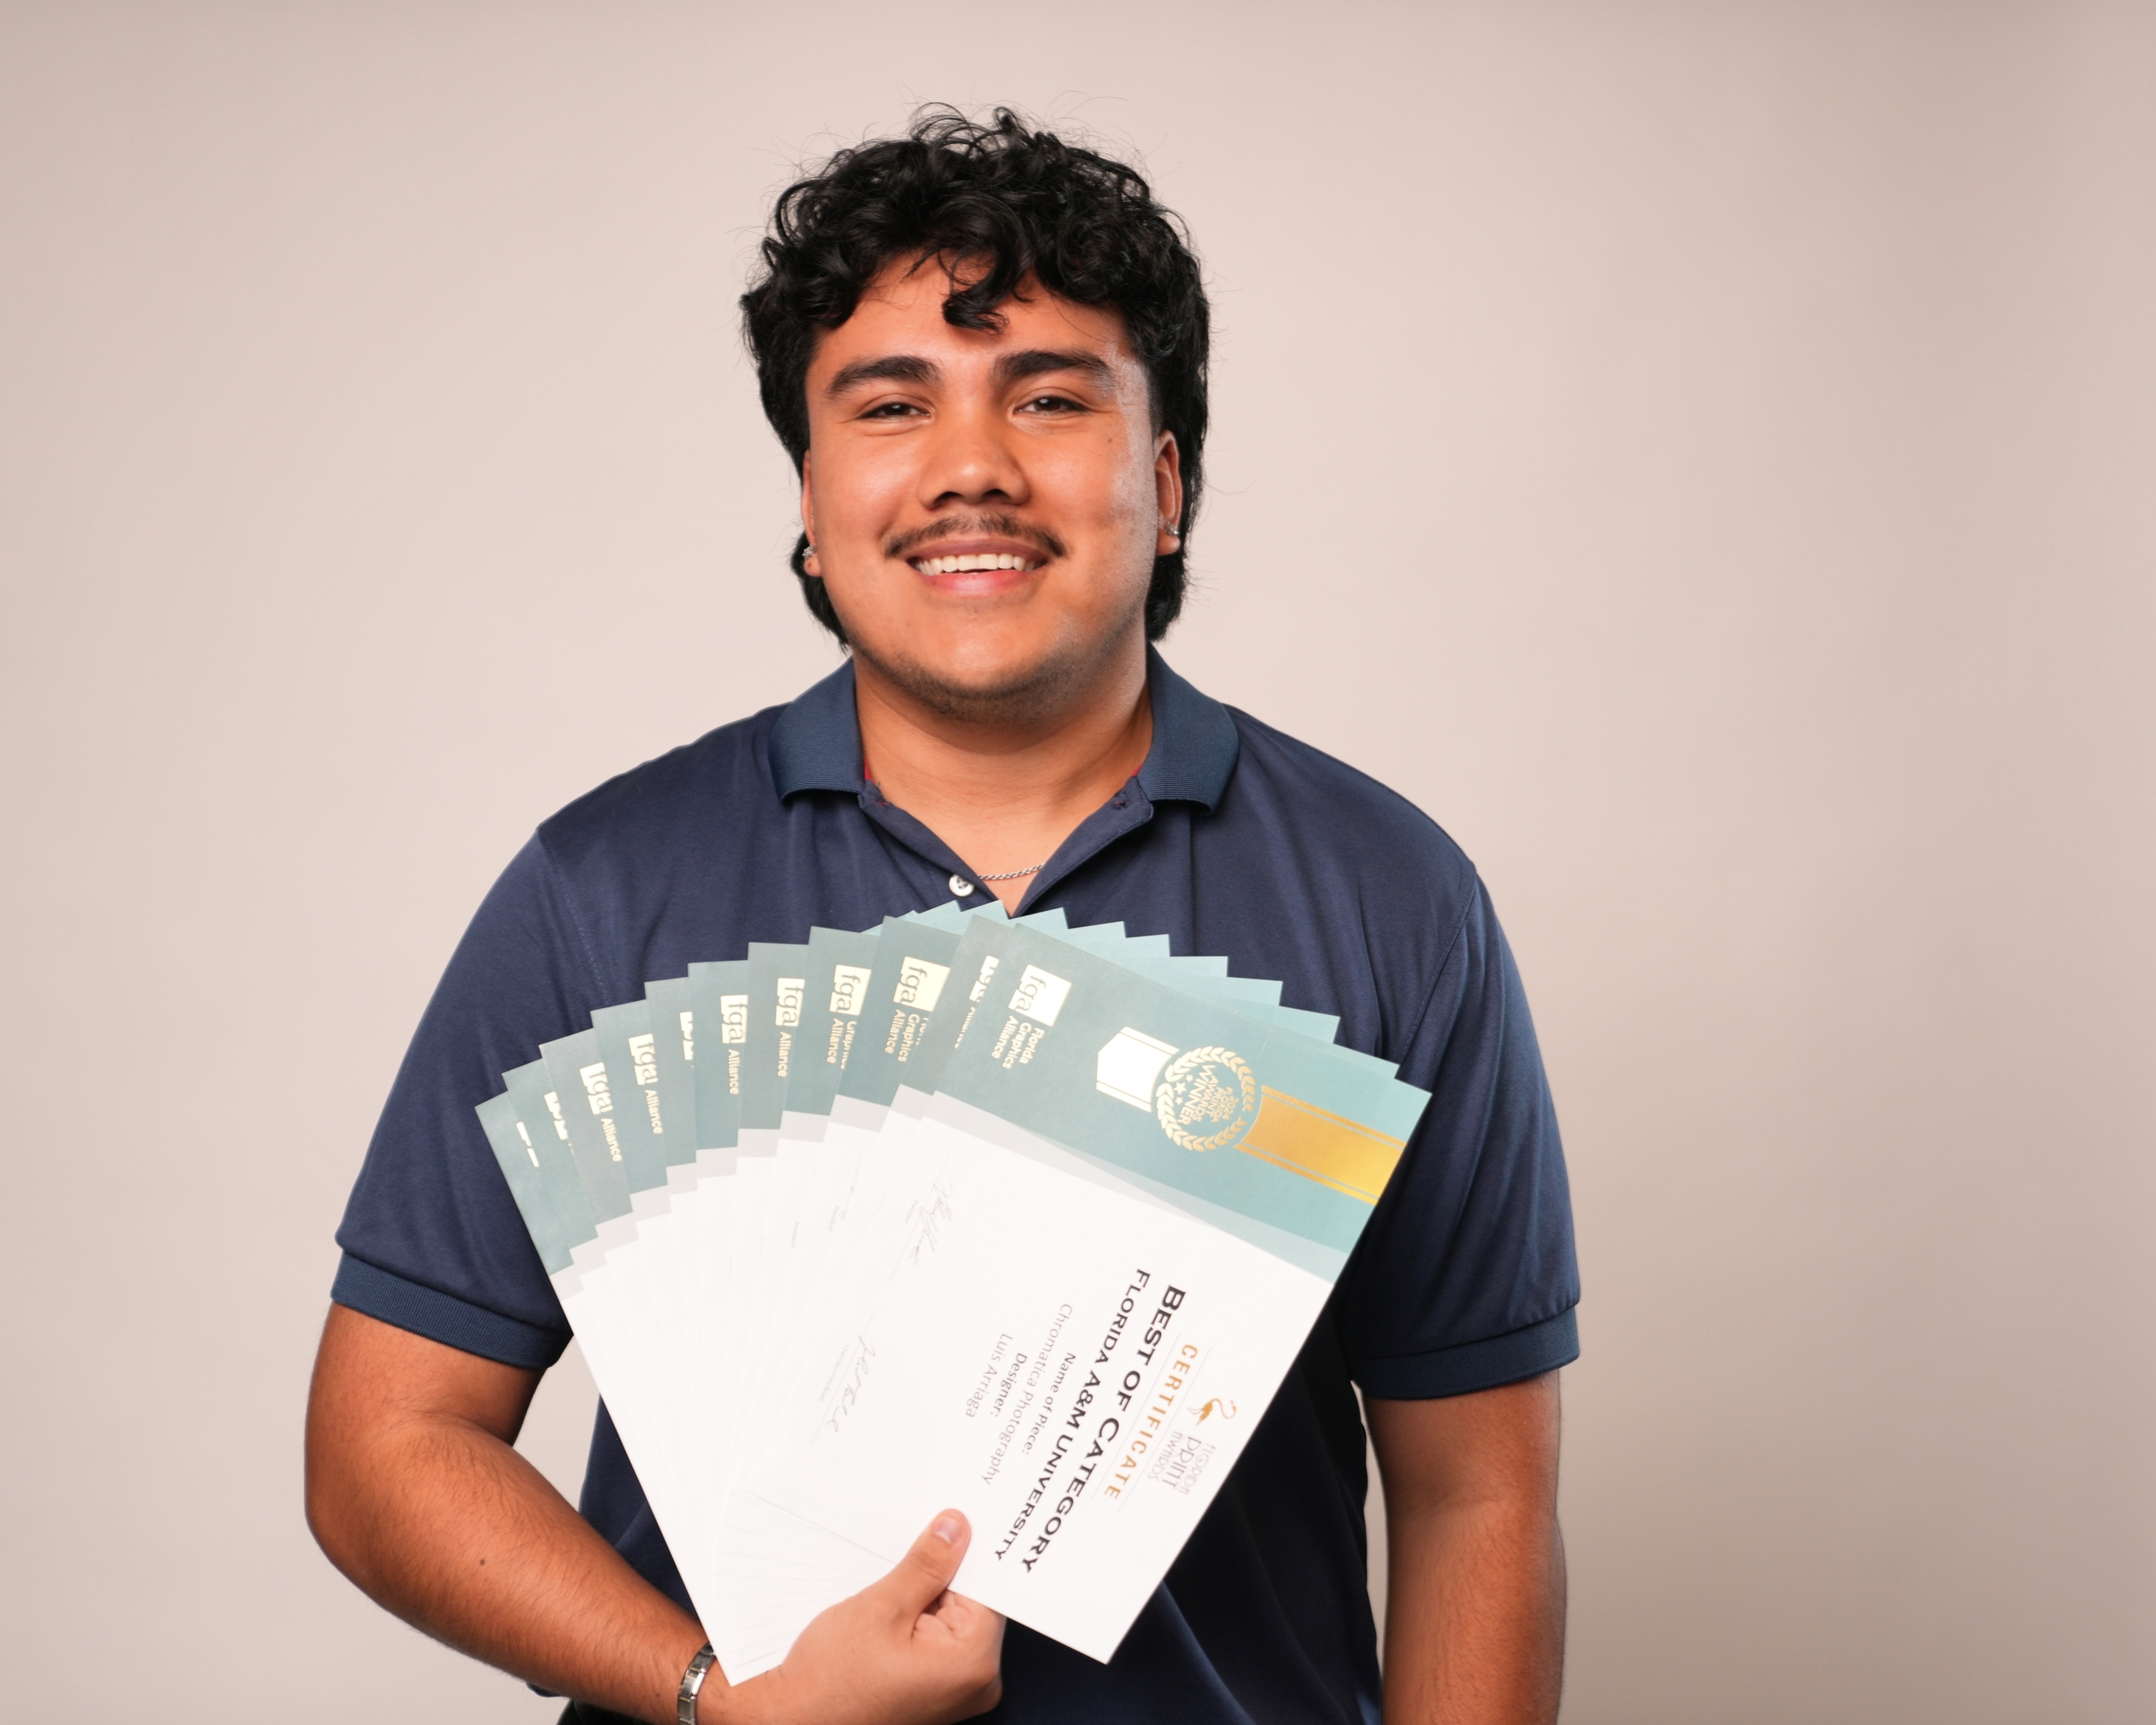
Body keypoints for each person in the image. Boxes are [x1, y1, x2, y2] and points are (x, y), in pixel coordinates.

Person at [307, 108, 1579, 1725]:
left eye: (1051, 399)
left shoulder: (1393, 900)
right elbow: (383, 1445)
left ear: (1166, 484)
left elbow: (1480, 1497)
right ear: (816, 497)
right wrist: (716, 1697)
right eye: (893, 406)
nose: (972, 467)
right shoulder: (604, 891)